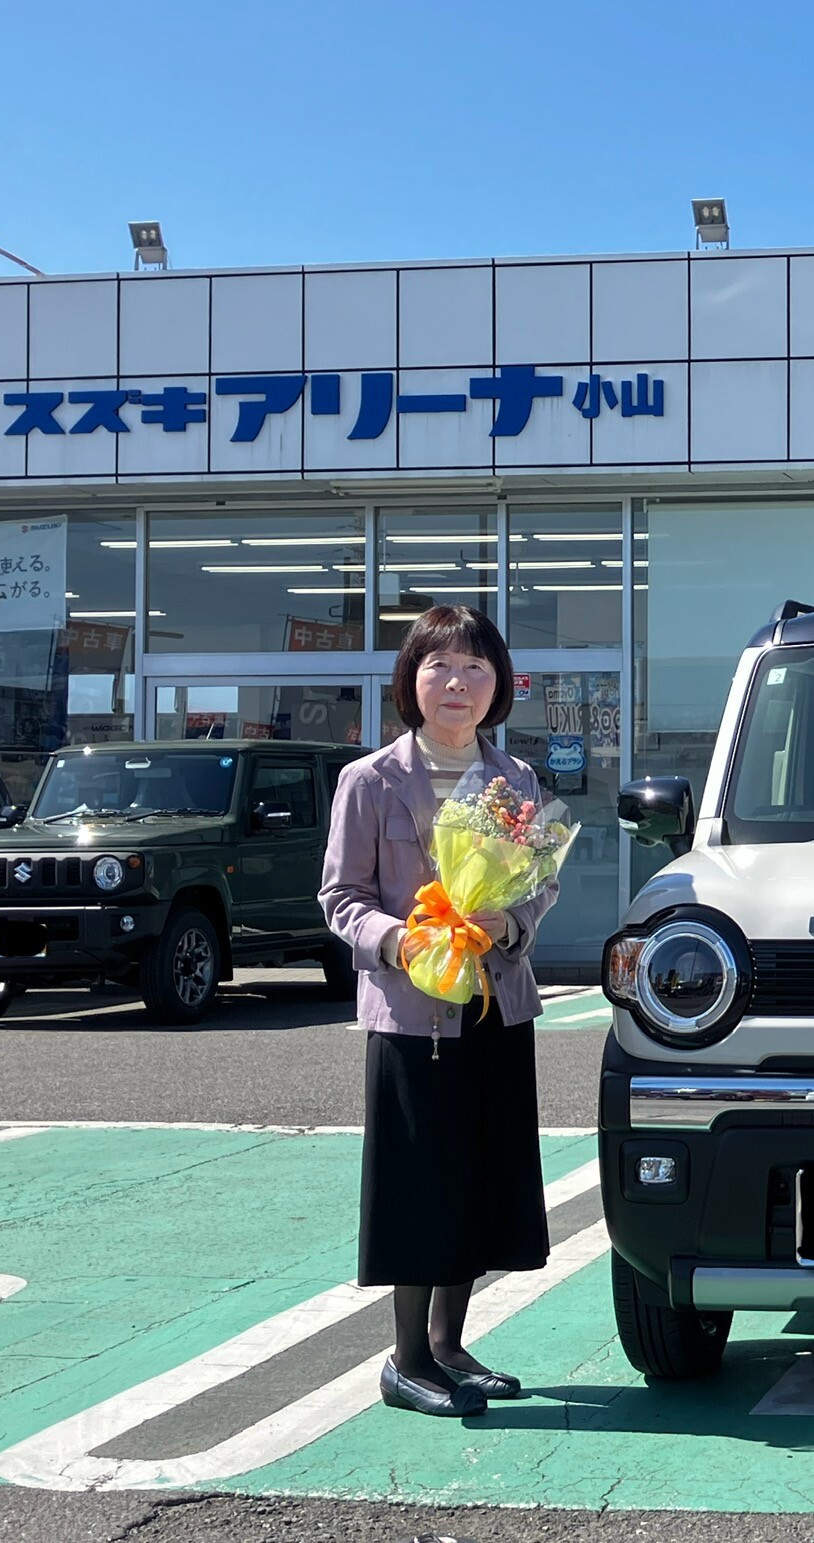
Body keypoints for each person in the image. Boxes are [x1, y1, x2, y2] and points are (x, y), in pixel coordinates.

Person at [320, 605, 560, 1419]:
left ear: (498, 685)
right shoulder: (370, 780)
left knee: (480, 1176)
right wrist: (401, 940)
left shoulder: (516, 781)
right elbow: (341, 895)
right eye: (439, 666)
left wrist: (509, 922)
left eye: (475, 668)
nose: (457, 683)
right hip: (413, 1014)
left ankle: (451, 1344)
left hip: (496, 1004)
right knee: (420, 1184)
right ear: (411, 680)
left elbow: (539, 882)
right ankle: (407, 1359)